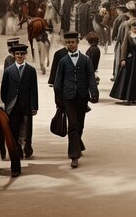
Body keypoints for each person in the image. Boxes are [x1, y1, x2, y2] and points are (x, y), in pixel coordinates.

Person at [53, 31, 99, 169]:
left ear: (77, 43)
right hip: (68, 97)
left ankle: (77, 143)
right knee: (72, 124)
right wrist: (58, 98)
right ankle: (74, 155)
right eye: (67, 43)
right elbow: (57, 81)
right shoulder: (63, 61)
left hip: (82, 97)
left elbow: (91, 77)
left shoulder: (85, 60)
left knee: (80, 124)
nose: (70, 45)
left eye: (72, 42)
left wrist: (94, 93)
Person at [1, 42, 38, 159]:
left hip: (26, 105)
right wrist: (7, 103)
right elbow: (4, 90)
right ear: (14, 55)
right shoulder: (8, 71)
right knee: (13, 128)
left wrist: (34, 106)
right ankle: (16, 149)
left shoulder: (31, 70)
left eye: (22, 54)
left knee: (25, 129)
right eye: (17, 54)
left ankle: (23, 148)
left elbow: (34, 89)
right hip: (12, 106)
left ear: (25, 55)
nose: (20, 56)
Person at [110, 20, 136, 104]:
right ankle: (128, 97)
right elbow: (124, 48)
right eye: (134, 26)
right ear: (130, 27)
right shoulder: (128, 36)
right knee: (130, 79)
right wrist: (123, 59)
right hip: (132, 60)